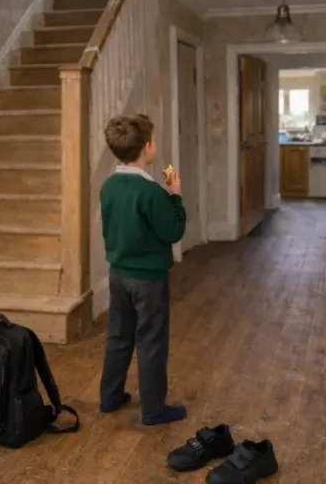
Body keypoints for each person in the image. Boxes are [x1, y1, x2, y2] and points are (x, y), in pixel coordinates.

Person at [98, 113, 188, 426]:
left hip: (118, 274)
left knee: (119, 335)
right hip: (148, 279)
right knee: (151, 340)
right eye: (154, 141)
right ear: (147, 147)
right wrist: (175, 196)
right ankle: (153, 409)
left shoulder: (108, 186)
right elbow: (173, 231)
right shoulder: (150, 192)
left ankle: (109, 397)